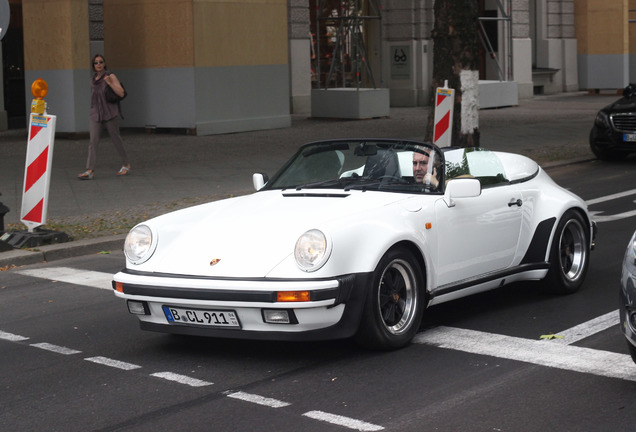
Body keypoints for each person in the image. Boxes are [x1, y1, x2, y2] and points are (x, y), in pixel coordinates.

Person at [78, 54, 130, 180]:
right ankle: (90, 170)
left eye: (101, 62)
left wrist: (110, 83)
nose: (99, 64)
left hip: (110, 112)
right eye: (96, 63)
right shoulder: (92, 80)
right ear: (93, 66)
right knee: (93, 141)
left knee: (115, 138)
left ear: (104, 63)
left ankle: (126, 163)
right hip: (96, 113)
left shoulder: (110, 76)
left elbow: (121, 92)